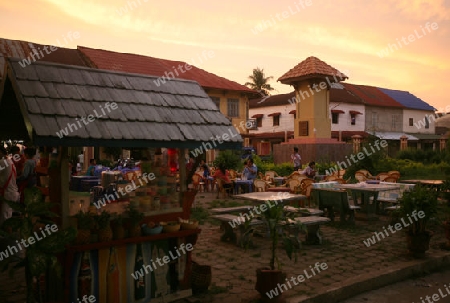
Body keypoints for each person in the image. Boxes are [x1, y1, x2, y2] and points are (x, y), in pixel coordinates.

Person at [0, 146, 20, 224]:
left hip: (7, 194)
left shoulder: (3, 162)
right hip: (12, 193)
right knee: (8, 216)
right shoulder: (9, 161)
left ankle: (5, 235)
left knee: (5, 218)